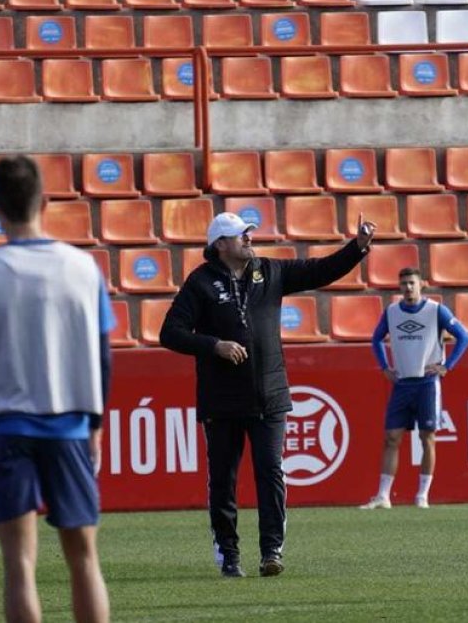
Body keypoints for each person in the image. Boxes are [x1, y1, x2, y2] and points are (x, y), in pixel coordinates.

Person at [160, 212, 376, 578]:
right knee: (224, 480)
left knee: (271, 471)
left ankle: (271, 551)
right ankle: (229, 554)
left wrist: (356, 249)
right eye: (239, 235)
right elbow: (170, 332)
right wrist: (214, 346)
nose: (248, 238)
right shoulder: (200, 283)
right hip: (222, 400)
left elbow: (318, 271)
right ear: (220, 245)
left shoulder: (269, 271)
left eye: (248, 233)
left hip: (270, 395)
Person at [0, 156, 112, 623]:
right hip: (70, 424)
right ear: (45, 201)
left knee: (20, 564)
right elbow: (102, 358)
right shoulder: (85, 268)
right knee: (84, 558)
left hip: (6, 425)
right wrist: (96, 426)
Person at [360, 267, 468, 510]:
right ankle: (383, 496)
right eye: (404, 284)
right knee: (391, 437)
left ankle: (422, 495)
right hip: (402, 383)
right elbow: (376, 338)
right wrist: (384, 367)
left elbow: (464, 337)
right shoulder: (392, 312)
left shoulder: (436, 311)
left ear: (422, 285)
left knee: (427, 437)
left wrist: (447, 366)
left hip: (427, 383)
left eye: (412, 283)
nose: (408, 288)